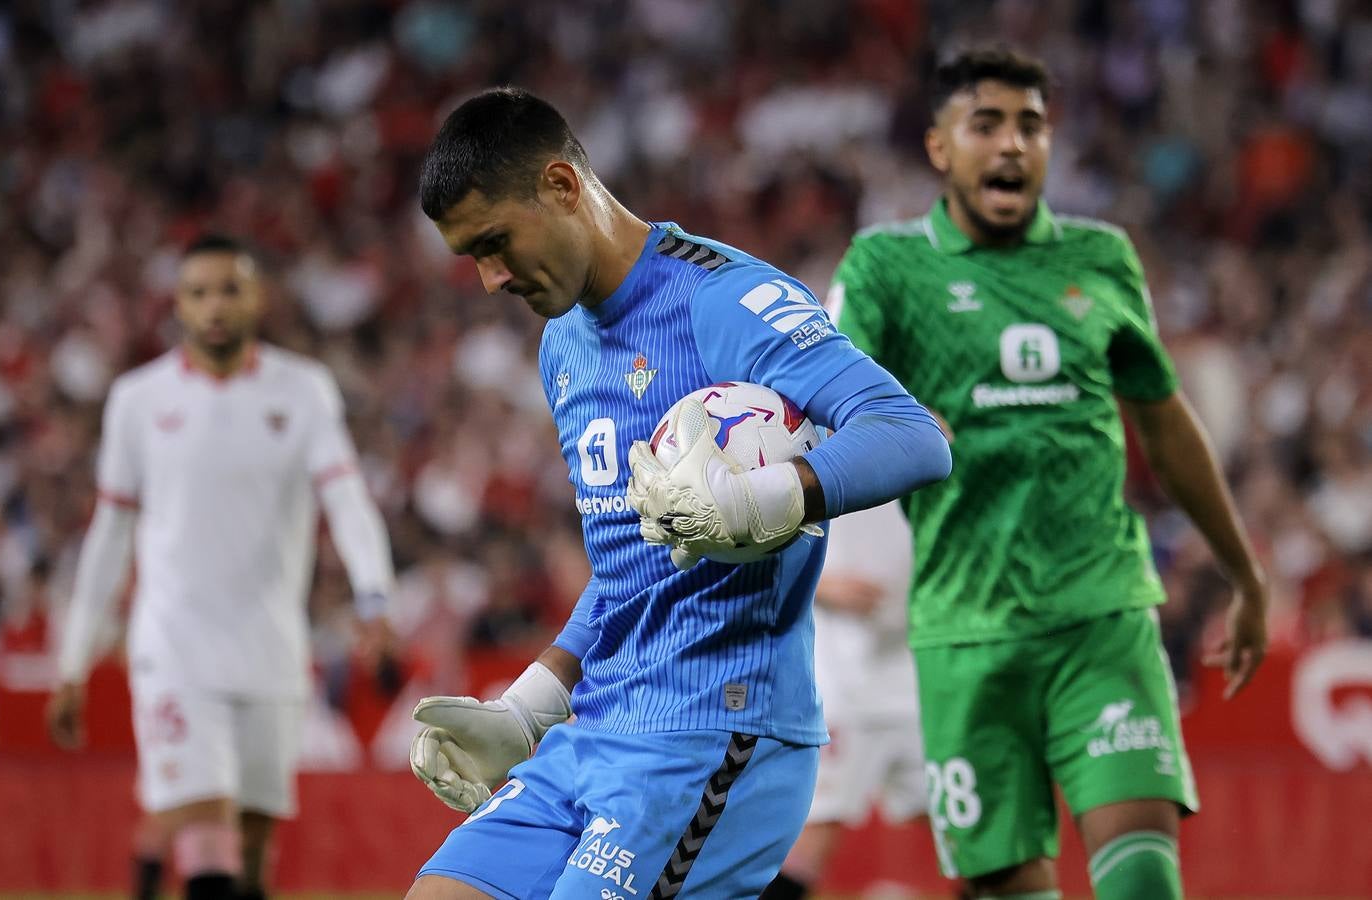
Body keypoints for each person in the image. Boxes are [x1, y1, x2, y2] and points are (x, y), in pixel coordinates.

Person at [404, 87, 952, 899]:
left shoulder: (724, 300)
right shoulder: (563, 347)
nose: (490, 280)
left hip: (716, 733)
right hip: (595, 734)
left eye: (495, 244)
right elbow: (631, 574)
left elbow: (913, 437)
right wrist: (528, 709)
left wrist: (768, 498)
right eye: (472, 257)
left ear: (561, 186)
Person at [826, 48, 1270, 900]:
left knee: (1142, 874)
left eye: (1030, 125)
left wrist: (1243, 572)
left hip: (1099, 615)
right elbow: (822, 386)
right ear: (939, 149)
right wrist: (899, 414)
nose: (1013, 145)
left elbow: (1167, 428)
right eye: (985, 124)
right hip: (964, 634)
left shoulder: (1101, 258)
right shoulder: (885, 268)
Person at [47, 234, 397, 900]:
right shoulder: (138, 400)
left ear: (257, 297)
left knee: (255, 856)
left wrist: (375, 602)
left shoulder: (303, 391)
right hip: (173, 650)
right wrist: (73, 662)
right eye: (199, 292)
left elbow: (348, 502)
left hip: (270, 650)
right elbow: (108, 536)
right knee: (207, 839)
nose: (214, 306)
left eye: (229, 289)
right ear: (177, 304)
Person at [763, 501, 929, 899]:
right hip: (839, 673)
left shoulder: (940, 446)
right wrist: (816, 582)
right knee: (812, 834)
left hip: (918, 663)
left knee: (970, 827)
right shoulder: (822, 441)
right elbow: (741, 528)